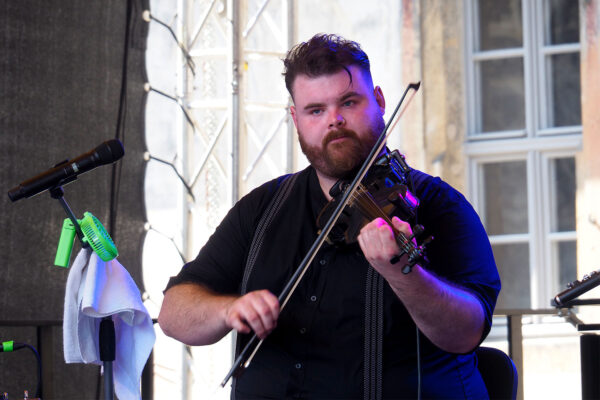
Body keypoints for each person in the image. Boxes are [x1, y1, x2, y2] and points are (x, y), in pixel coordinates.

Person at [158, 33, 501, 399]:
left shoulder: (436, 205)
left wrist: (403, 271)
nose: (334, 121)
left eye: (348, 102)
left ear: (380, 101)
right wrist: (228, 310)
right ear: (296, 119)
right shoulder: (262, 208)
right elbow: (173, 313)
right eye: (316, 110)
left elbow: (466, 333)